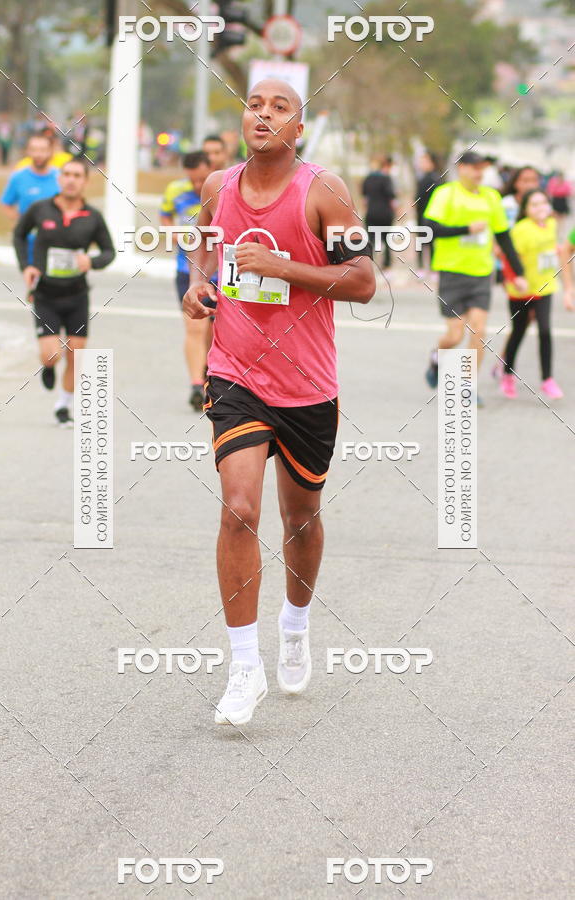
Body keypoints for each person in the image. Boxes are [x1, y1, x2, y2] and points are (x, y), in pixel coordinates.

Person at [183, 78, 376, 726]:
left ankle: (295, 623)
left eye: (279, 107)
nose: (263, 114)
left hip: (307, 386)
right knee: (239, 510)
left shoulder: (324, 192)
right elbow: (204, 241)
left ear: (299, 128)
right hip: (235, 374)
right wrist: (200, 284)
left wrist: (283, 267)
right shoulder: (218, 186)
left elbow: (364, 281)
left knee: (301, 519)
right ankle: (244, 667)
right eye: (255, 105)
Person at [13, 159, 115, 425]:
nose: (71, 179)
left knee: (76, 354)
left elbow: (109, 252)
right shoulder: (41, 209)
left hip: (77, 295)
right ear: (59, 179)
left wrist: (91, 261)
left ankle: (63, 405)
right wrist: (27, 266)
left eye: (77, 175)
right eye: (67, 174)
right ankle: (48, 366)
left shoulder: (92, 217)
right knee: (52, 355)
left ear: (85, 182)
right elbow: (19, 235)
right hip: (45, 294)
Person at [422, 150, 528, 404]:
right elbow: (429, 229)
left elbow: (503, 236)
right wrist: (466, 229)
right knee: (455, 335)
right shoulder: (446, 193)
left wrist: (518, 273)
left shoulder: (492, 197)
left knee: (479, 330)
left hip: (481, 273)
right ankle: (437, 356)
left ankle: (468, 387)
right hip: (452, 272)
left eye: (483, 168)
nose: (479, 172)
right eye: (474, 167)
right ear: (461, 168)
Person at [500, 190, 572, 399]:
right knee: (518, 332)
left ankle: (547, 379)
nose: (540, 208)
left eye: (543, 203)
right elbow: (508, 258)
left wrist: (556, 250)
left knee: (545, 331)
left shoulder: (551, 224)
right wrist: (515, 279)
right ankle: (507, 374)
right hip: (522, 291)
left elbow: (549, 248)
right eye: (534, 204)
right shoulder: (520, 230)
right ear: (525, 209)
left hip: (545, 287)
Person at [160, 150, 215, 410]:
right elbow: (165, 217)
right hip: (187, 270)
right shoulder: (175, 191)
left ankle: (208, 373)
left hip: (219, 272)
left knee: (214, 331)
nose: (197, 185)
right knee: (195, 327)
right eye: (192, 180)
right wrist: (173, 234)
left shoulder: (222, 190)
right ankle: (196, 385)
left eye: (202, 179)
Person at [490, 165, 541, 380]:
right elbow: (498, 234)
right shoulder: (507, 204)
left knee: (528, 317)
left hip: (534, 268)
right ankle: (505, 363)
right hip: (510, 267)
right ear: (516, 182)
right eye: (525, 180)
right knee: (522, 316)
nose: (529, 184)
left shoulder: (539, 203)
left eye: (533, 180)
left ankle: (504, 359)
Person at [1, 134, 60, 264]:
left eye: (42, 150)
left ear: (51, 151)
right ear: (27, 151)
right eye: (33, 149)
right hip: (29, 244)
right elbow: (6, 203)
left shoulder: (61, 177)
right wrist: (21, 223)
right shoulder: (18, 177)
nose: (38, 154)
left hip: (57, 243)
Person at [362, 156, 396, 270]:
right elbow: (392, 198)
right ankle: (386, 264)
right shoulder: (386, 179)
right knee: (387, 239)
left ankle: (369, 264)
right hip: (385, 214)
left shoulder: (367, 179)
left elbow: (364, 199)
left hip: (371, 213)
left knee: (371, 239)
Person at [415, 151, 443, 274]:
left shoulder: (430, 178)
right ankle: (428, 268)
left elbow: (419, 198)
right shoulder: (435, 177)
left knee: (425, 241)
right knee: (427, 241)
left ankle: (425, 268)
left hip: (427, 214)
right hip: (427, 214)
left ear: (432, 163)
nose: (421, 164)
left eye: (424, 161)